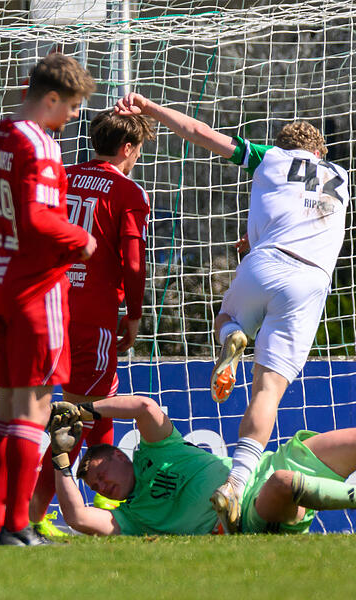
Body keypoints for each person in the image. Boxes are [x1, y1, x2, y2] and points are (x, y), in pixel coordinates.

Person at [114, 93, 350, 533]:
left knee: (228, 320)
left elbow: (200, 133)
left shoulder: (271, 157)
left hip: (264, 262)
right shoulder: (340, 175)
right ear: (320, 153)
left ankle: (231, 339)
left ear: (284, 146)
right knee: (268, 391)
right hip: (311, 279)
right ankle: (237, 484)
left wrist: (150, 108)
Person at [0, 52, 96, 545]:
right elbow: (39, 220)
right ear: (51, 98)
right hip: (38, 289)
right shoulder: (41, 146)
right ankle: (15, 526)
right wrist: (83, 241)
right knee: (34, 411)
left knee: (7, 410)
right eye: (72, 106)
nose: (74, 116)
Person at [28, 109, 155, 537]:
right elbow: (133, 264)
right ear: (127, 148)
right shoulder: (127, 192)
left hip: (42, 310)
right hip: (89, 318)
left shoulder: (58, 177)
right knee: (79, 416)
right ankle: (34, 516)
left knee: (70, 409)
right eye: (138, 151)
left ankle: (102, 500)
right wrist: (133, 315)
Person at [47, 397, 356, 536]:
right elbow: (76, 516)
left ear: (119, 455)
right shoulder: (131, 519)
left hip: (265, 463)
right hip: (250, 510)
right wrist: (61, 462)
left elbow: (145, 408)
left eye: (100, 476)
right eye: (95, 487)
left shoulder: (160, 448)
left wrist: (81, 412)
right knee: (283, 482)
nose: (101, 487)